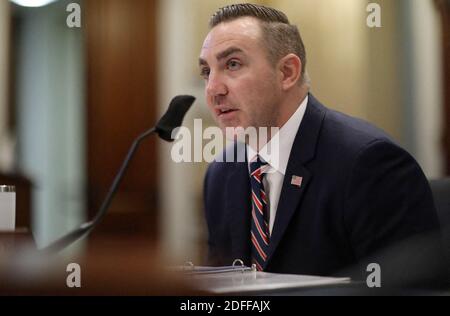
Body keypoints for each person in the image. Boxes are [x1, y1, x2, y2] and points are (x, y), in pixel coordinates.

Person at [200, 3, 441, 278]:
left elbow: (410, 290)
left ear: (287, 72)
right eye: (207, 71)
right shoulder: (221, 174)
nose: (212, 89)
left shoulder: (369, 164)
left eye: (232, 64)